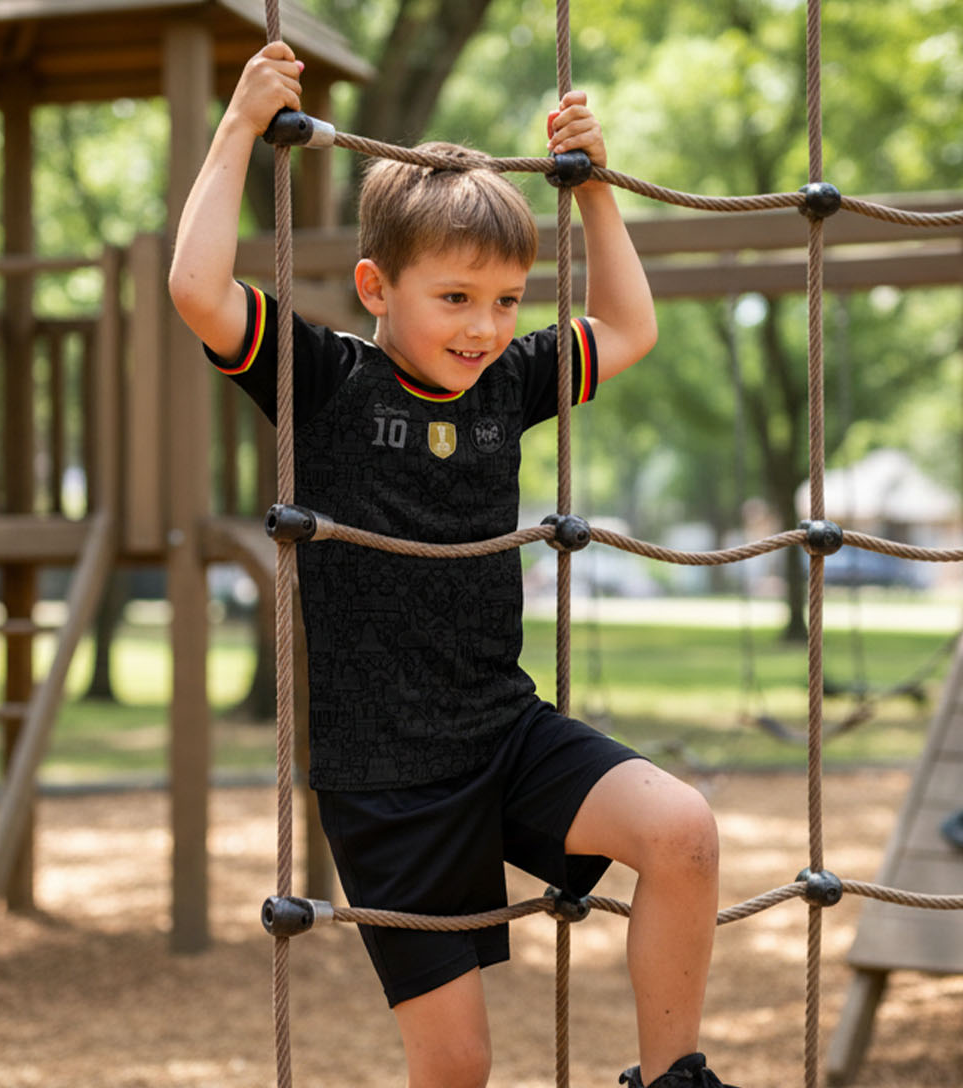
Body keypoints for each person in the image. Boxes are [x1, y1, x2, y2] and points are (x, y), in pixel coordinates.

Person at [169, 40, 737, 1088]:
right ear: (375, 287)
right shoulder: (326, 380)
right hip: (387, 783)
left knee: (682, 830)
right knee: (458, 1068)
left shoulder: (507, 383)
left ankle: (672, 1078)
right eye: (456, 298)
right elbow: (199, 289)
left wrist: (594, 188)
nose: (485, 327)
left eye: (508, 300)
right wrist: (240, 125)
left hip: (504, 732)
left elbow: (627, 326)